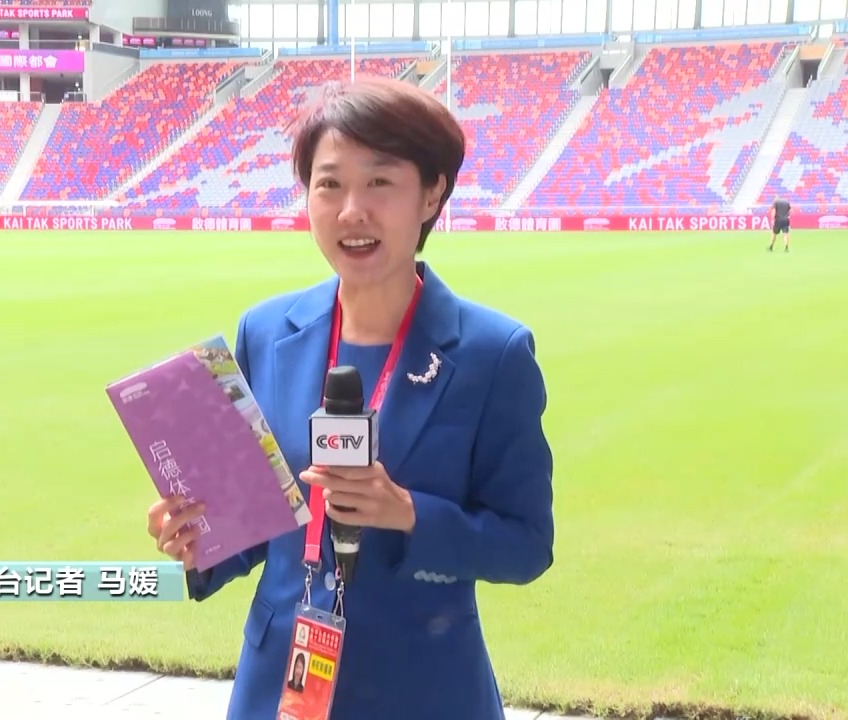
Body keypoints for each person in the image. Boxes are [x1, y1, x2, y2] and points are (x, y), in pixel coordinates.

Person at [145, 75, 554, 720]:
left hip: (425, 690)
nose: (351, 210)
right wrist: (197, 539)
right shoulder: (265, 333)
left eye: (380, 182)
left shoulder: (491, 353)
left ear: (431, 193)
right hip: (280, 686)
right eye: (329, 184)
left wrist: (408, 513)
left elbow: (527, 544)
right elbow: (255, 524)